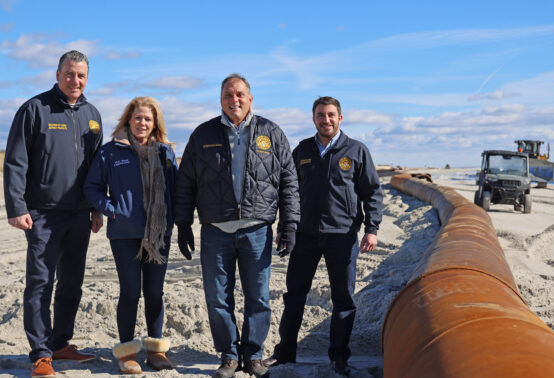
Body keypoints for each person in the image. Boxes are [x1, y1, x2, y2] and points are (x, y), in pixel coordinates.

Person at [174, 73, 300, 378]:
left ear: (250, 98)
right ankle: (229, 356)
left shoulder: (271, 132)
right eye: (228, 95)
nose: (235, 100)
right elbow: (186, 182)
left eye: (240, 94)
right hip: (216, 230)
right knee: (218, 297)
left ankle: (253, 354)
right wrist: (183, 223)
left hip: (257, 230)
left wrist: (290, 223)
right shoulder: (203, 135)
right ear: (220, 100)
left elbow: (288, 181)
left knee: (258, 296)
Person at [265, 96, 383, 376]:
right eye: (320, 115)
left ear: (340, 118)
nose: (325, 120)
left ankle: (339, 358)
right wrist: (285, 227)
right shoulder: (303, 150)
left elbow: (372, 192)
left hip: (342, 236)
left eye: (331, 115)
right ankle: (285, 353)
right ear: (314, 118)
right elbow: (288, 190)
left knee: (342, 299)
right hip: (304, 235)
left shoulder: (356, 150)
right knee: (294, 296)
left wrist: (372, 229)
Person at [3, 50, 103, 377]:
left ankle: (61, 343)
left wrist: (97, 208)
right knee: (40, 283)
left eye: (81, 76)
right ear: (58, 74)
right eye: (70, 74)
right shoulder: (35, 109)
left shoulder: (92, 114)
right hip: (42, 214)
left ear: (87, 78)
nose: (76, 81)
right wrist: (17, 208)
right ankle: (41, 354)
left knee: (71, 283)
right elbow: (15, 162)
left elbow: (96, 168)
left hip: (79, 214)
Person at [83, 97, 178, 374]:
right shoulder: (111, 152)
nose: (142, 123)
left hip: (159, 234)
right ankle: (126, 353)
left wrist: (174, 221)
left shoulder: (164, 152)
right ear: (128, 120)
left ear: (155, 123)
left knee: (155, 293)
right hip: (125, 233)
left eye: (148, 119)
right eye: (137, 118)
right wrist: (112, 210)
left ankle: (156, 352)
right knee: (130, 292)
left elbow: (176, 190)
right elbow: (93, 187)